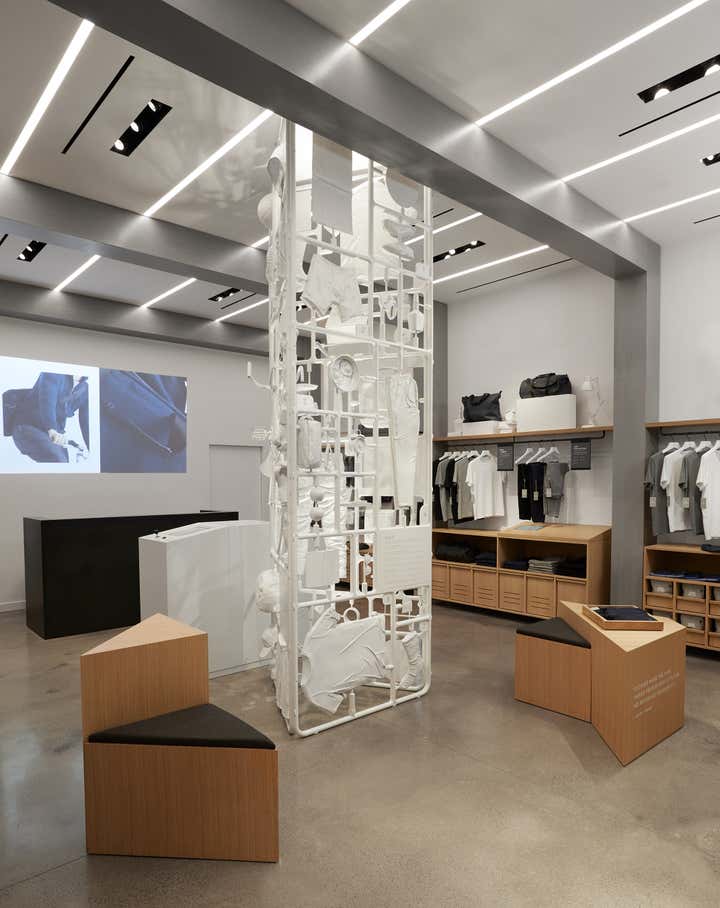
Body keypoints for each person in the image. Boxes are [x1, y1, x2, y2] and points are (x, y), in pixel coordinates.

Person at [3, 372, 88, 463]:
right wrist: (52, 429)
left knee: (64, 464)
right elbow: (47, 401)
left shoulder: (85, 388)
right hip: (29, 427)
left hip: (53, 434)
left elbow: (86, 423)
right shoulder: (53, 374)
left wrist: (92, 449)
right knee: (58, 460)